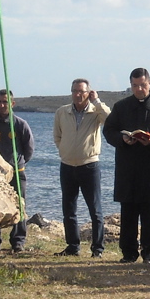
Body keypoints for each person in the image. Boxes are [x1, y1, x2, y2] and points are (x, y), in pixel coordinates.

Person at [103, 68, 150, 264]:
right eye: (135, 86)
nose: (139, 89)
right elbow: (109, 130)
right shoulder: (121, 107)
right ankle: (128, 253)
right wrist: (122, 138)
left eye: (143, 85)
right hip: (128, 167)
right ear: (130, 85)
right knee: (127, 211)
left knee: (149, 212)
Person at [53, 78, 111, 258]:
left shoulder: (95, 112)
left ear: (88, 93)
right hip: (67, 166)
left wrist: (97, 101)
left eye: (81, 91)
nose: (77, 95)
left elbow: (110, 119)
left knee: (95, 210)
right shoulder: (62, 112)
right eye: (74, 91)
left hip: (89, 166)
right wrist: (65, 151)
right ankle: (72, 246)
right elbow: (57, 136)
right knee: (68, 209)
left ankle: (98, 249)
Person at [0, 89, 35, 254]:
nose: (2, 105)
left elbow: (29, 148)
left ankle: (18, 241)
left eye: (5, 102)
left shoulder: (20, 124)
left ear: (12, 103)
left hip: (17, 173)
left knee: (19, 206)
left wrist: (18, 163)